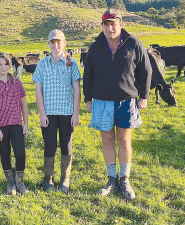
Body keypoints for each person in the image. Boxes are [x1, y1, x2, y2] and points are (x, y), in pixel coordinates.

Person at [83, 9, 152, 200]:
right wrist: (87, 99)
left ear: (121, 24)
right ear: (102, 26)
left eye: (113, 23)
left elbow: (146, 71)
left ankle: (125, 179)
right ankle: (111, 179)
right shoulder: (95, 47)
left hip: (127, 102)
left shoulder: (134, 44)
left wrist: (144, 96)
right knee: (107, 141)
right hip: (102, 102)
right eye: (106, 24)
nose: (110, 28)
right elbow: (88, 75)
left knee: (124, 141)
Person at [32, 29, 81, 193]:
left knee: (66, 145)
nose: (56, 45)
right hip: (49, 113)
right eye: (52, 42)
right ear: (48, 44)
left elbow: (76, 90)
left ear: (64, 43)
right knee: (50, 145)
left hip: (67, 113)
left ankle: (65, 179)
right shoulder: (42, 64)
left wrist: (75, 113)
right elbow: (38, 90)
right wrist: (42, 114)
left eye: (59, 42)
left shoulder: (71, 63)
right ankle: (48, 179)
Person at [0, 52, 29, 195]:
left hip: (16, 123)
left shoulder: (17, 82)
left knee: (20, 153)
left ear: (9, 65)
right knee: (5, 153)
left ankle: (20, 181)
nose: (3, 67)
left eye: (5, 64)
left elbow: (24, 103)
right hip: (1, 125)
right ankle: (10, 181)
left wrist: (26, 124)